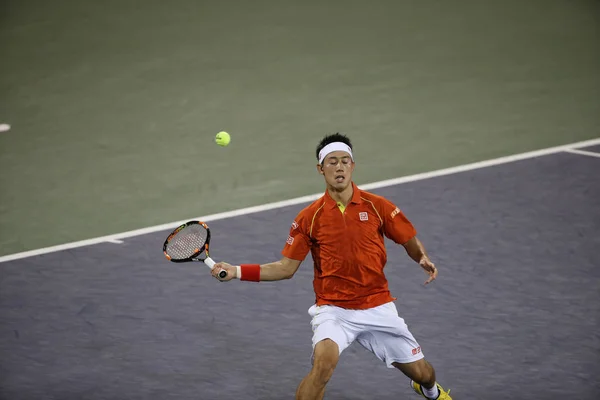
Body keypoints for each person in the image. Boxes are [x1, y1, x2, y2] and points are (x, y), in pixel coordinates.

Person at [211, 133, 452, 400]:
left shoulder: (377, 206)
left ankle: (429, 391)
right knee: (323, 364)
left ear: (353, 166)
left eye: (344, 161)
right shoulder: (308, 218)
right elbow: (285, 268)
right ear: (320, 169)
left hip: (378, 306)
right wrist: (236, 271)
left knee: (423, 373)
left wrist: (421, 257)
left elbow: (407, 238)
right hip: (334, 309)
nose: (339, 167)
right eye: (332, 162)